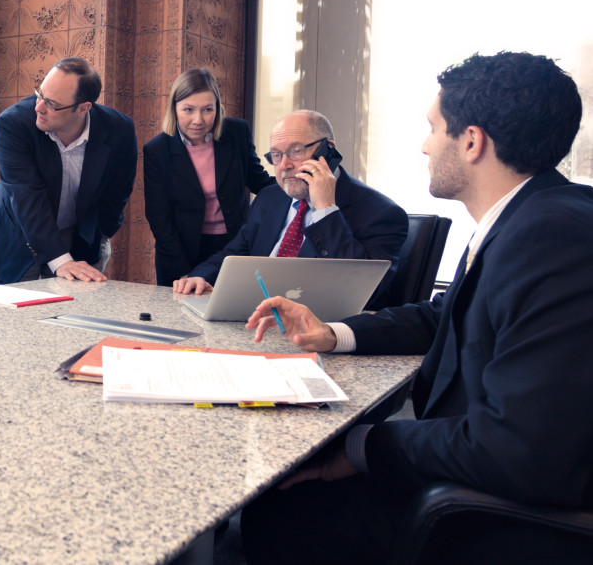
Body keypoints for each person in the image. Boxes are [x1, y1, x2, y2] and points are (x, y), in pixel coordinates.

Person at [242, 52, 593, 564]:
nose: (423, 145)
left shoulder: (549, 238)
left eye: (433, 128)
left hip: (486, 519)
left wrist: (363, 446)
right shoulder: (531, 218)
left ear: (472, 142)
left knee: (280, 506)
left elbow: (519, 451)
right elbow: (439, 315)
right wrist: (334, 333)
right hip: (471, 476)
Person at [173, 110, 407, 302]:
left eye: (296, 151)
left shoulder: (381, 213)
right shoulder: (269, 198)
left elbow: (365, 292)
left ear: (329, 149)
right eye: (276, 155)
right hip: (252, 316)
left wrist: (326, 208)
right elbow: (236, 253)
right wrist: (201, 276)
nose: (284, 165)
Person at [0, 57, 138, 283]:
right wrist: (60, 260)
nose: (39, 107)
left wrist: (101, 232)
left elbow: (119, 190)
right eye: (39, 94)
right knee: (21, 310)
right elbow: (26, 196)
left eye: (51, 104)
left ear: (83, 108)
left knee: (75, 309)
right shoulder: (13, 124)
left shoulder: (119, 129)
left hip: (80, 233)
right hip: (17, 234)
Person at [143, 68, 275, 286]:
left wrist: (297, 181)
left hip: (233, 247)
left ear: (218, 109)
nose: (198, 119)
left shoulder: (236, 133)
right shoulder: (157, 150)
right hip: (179, 250)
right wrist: (186, 272)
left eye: (207, 110)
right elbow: (159, 218)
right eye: (188, 110)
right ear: (174, 109)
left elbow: (260, 183)